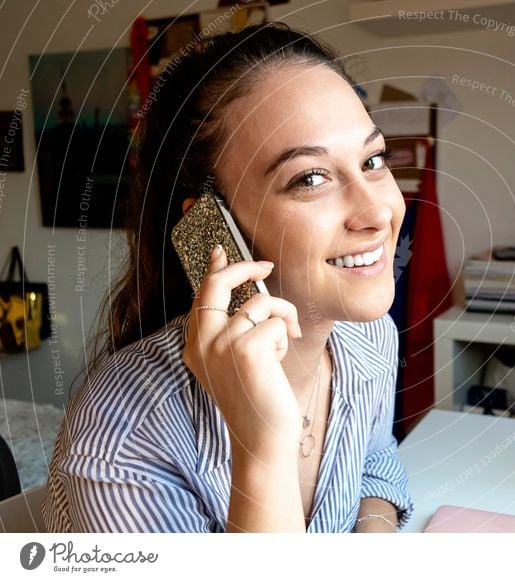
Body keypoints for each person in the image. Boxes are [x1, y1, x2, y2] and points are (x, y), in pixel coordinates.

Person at [43, 22, 413, 533]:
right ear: (212, 229)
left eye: (372, 160)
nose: (377, 211)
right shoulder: (127, 430)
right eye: (310, 178)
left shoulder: (368, 339)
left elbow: (374, 461)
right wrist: (261, 446)